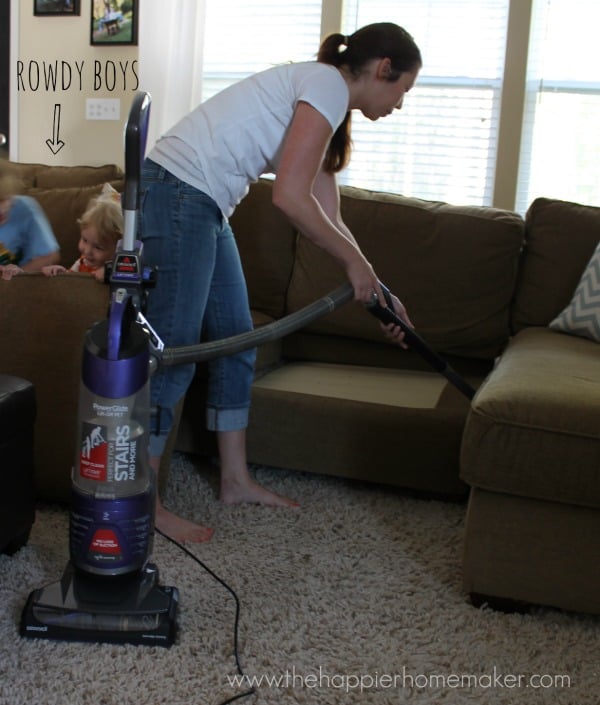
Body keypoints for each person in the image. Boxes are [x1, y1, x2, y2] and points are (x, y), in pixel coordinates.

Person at [139, 22, 422, 543]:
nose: (400, 104)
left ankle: (235, 480)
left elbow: (328, 216)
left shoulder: (327, 101)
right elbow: (289, 197)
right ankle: (141, 504)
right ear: (384, 69)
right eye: (403, 90)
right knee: (173, 349)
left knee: (237, 338)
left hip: (205, 202)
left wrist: (377, 288)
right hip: (181, 189)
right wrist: (356, 269)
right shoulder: (326, 85)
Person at [42, 184, 123, 282]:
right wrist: (61, 273)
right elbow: (71, 282)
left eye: (98, 247)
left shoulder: (121, 269)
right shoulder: (83, 261)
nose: (87, 251)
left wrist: (110, 274)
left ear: (118, 248)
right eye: (84, 240)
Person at [0, 168, 60, 280]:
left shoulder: (25, 208)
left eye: (3, 199)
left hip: (21, 280)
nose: (1, 209)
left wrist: (19, 275)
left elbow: (50, 255)